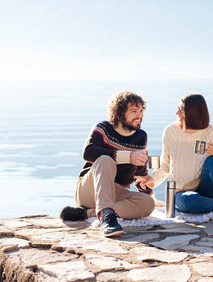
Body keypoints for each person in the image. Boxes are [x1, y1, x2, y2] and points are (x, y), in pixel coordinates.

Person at [145, 93, 213, 223]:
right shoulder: (170, 131)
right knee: (188, 201)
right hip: (181, 192)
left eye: (181, 110)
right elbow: (166, 165)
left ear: (194, 112)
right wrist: (151, 180)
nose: (177, 113)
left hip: (206, 188)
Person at [60, 91, 155, 237]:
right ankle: (107, 218)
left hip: (116, 192)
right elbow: (88, 152)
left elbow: (140, 172)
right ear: (119, 114)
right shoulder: (103, 128)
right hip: (90, 189)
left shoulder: (141, 136)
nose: (140, 115)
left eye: (141, 111)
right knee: (106, 160)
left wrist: (146, 188)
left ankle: (87, 213)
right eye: (134, 111)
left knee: (148, 204)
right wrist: (128, 156)